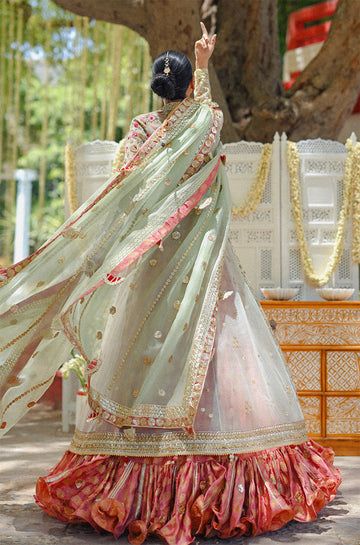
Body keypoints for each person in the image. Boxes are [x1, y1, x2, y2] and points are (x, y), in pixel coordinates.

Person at [0, 21, 341, 545]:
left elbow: (138, 186)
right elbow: (199, 123)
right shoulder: (206, 120)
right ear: (187, 85)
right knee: (219, 354)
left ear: (156, 90)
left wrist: (197, 70)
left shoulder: (142, 131)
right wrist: (202, 66)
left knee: (148, 350)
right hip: (202, 259)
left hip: (158, 260)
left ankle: (135, 474)